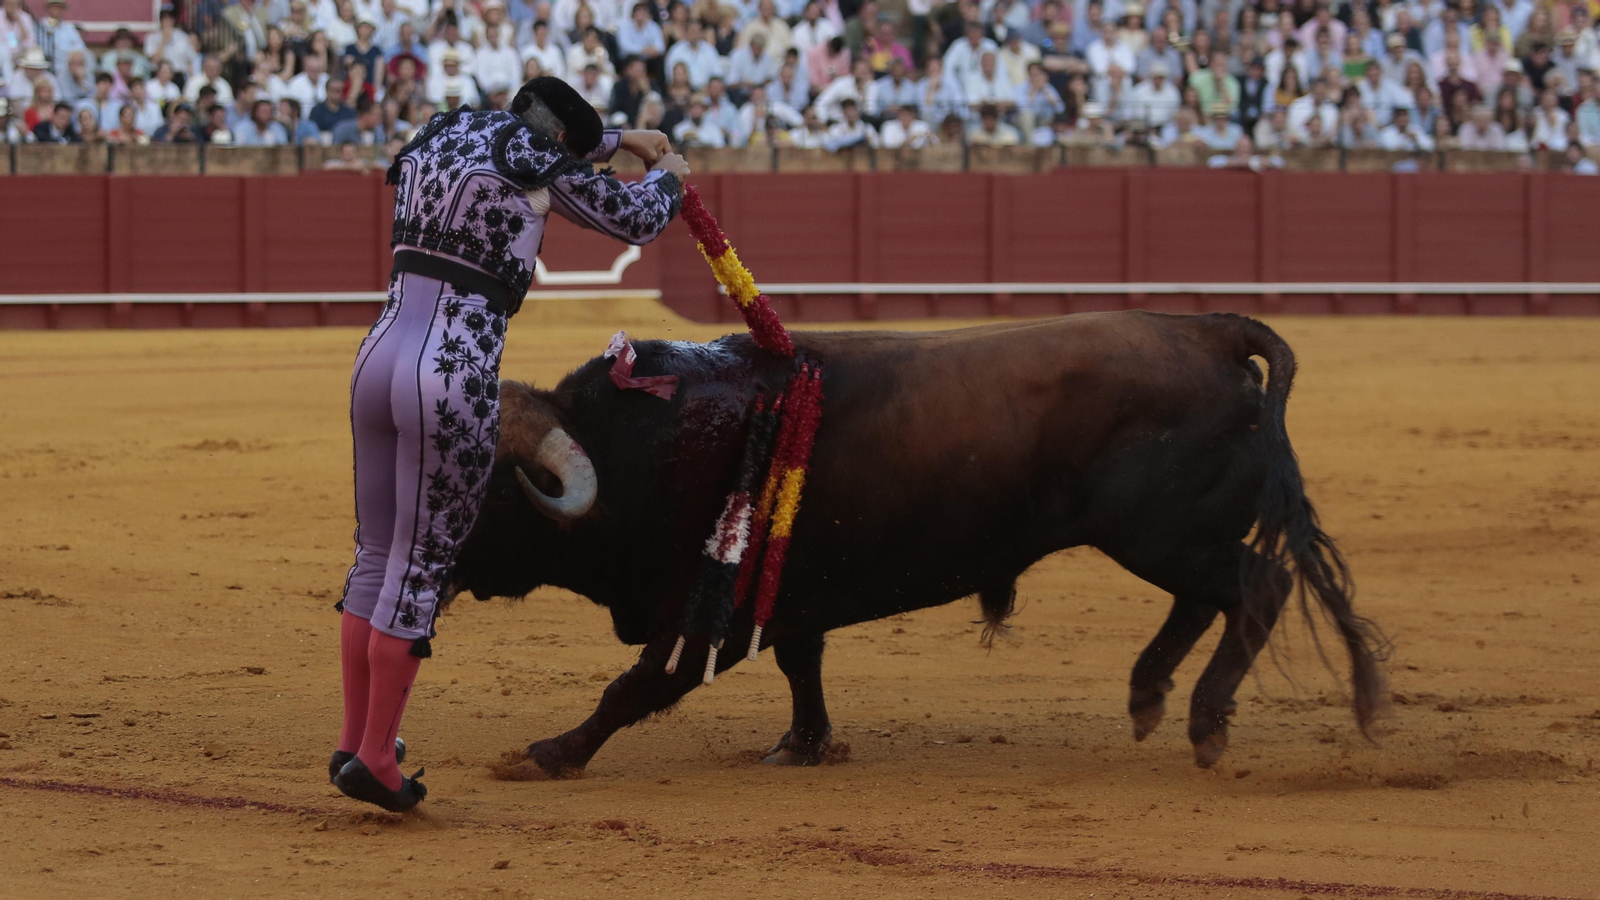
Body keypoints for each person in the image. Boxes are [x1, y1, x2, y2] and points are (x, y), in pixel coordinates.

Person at [330, 76, 687, 812]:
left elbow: (533, 155)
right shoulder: (543, 158)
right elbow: (634, 219)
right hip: (449, 373)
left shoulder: (444, 132)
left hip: (377, 359)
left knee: (377, 552)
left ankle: (353, 740)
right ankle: (375, 760)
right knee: (422, 564)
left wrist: (620, 141)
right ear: (561, 142)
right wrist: (669, 179)